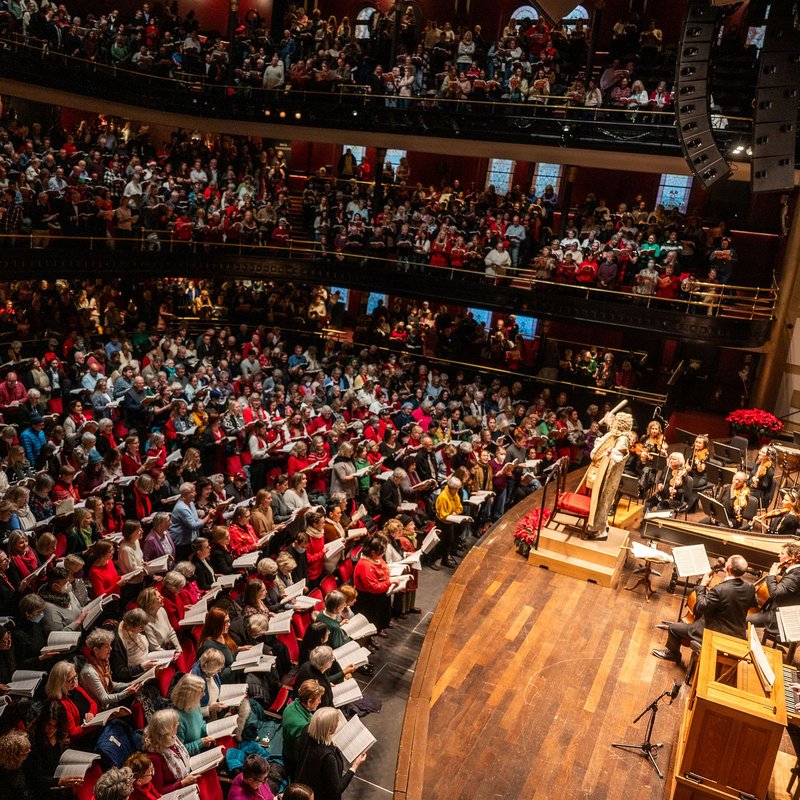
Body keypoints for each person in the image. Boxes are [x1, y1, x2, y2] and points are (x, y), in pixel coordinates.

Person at [652, 554, 756, 662]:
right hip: (738, 634)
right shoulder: (750, 588)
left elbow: (701, 607)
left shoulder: (720, 590)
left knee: (673, 628)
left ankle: (673, 653)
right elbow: (753, 603)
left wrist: (702, 586)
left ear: (728, 567)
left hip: (714, 632)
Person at [578, 411, 633, 540]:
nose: (612, 423)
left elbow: (619, 455)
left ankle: (600, 531)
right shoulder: (615, 435)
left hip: (609, 475)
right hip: (604, 471)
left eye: (615, 422)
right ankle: (600, 526)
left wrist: (610, 453)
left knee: (604, 500)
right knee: (601, 500)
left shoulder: (623, 439)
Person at [296, 707, 367, 800]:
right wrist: (355, 766)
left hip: (305, 784)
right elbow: (337, 789)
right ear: (329, 729)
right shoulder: (327, 757)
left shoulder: (306, 730)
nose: (338, 723)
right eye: (337, 722)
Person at [747, 543, 800, 641]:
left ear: (791, 557)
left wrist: (771, 575)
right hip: (776, 608)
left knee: (742, 620)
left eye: (782, 553)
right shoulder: (794, 571)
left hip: (777, 617)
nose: (779, 555)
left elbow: (775, 594)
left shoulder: (794, 577)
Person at [142, 709, 200, 794]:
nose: (178, 724)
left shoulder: (173, 739)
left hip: (188, 781)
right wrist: (182, 783)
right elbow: (159, 791)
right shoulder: (154, 757)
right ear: (166, 731)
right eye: (174, 724)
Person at [282, 679, 326, 778]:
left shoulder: (294, 705)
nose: (320, 701)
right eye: (318, 699)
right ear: (310, 702)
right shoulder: (302, 725)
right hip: (295, 762)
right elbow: (305, 751)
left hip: (289, 751)